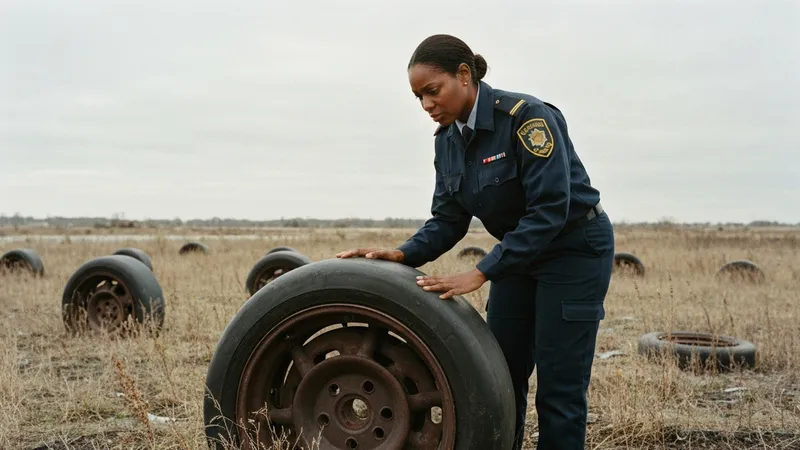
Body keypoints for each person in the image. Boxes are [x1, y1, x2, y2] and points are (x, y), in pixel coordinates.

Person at [336, 33, 615, 450]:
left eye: (433, 91)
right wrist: (401, 253)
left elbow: (550, 210)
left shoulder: (527, 118)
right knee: (500, 377)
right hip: (518, 257)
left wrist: (481, 271)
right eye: (419, 98)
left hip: (572, 251)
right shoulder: (447, 141)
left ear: (464, 75)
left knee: (559, 390)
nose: (427, 105)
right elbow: (448, 221)